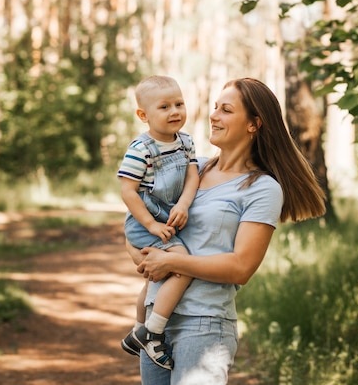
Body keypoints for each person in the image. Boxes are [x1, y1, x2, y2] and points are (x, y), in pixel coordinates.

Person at [126, 77, 327, 384]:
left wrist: (171, 262)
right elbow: (142, 208)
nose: (213, 115)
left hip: (204, 325)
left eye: (226, 110)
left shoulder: (262, 189)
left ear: (253, 124)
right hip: (155, 324)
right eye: (215, 107)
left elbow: (241, 268)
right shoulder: (194, 168)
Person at [117, 75, 199, 370]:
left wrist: (184, 203)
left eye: (179, 103)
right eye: (164, 107)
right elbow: (128, 191)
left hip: (168, 217)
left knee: (158, 280)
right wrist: (151, 225)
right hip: (145, 223)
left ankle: (137, 328)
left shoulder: (185, 141)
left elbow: (192, 175)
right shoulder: (141, 149)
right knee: (181, 264)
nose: (175, 111)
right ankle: (152, 332)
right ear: (144, 115)